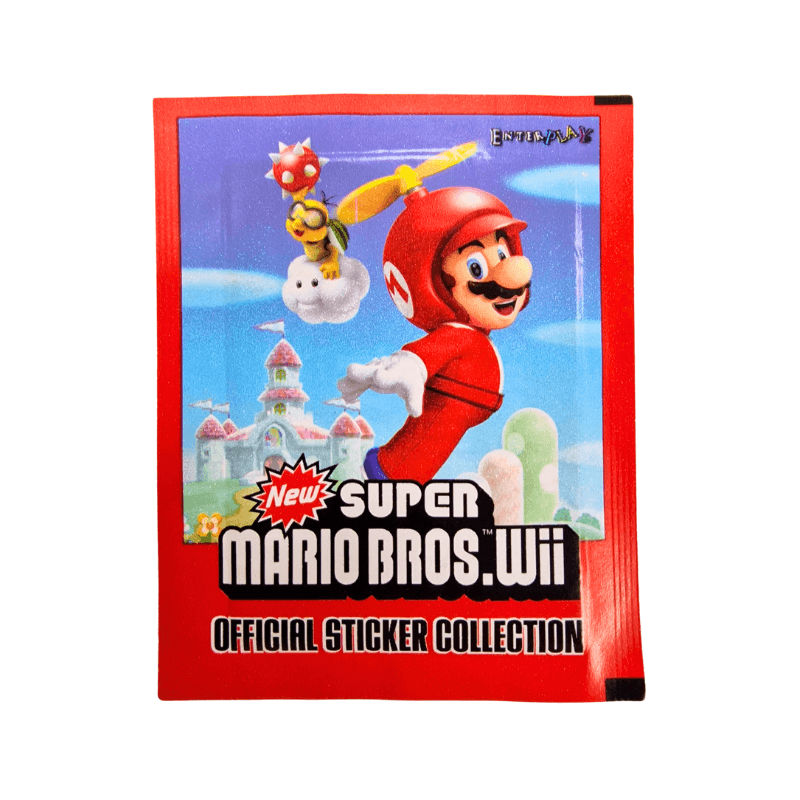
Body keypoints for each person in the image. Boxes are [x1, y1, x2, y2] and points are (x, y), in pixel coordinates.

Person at [337, 186, 532, 482]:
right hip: (396, 473)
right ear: (434, 284)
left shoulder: (473, 337)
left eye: (503, 254)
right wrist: (406, 367)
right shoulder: (459, 337)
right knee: (420, 455)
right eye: (476, 267)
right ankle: (388, 477)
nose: (511, 274)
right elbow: (422, 356)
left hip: (447, 425)